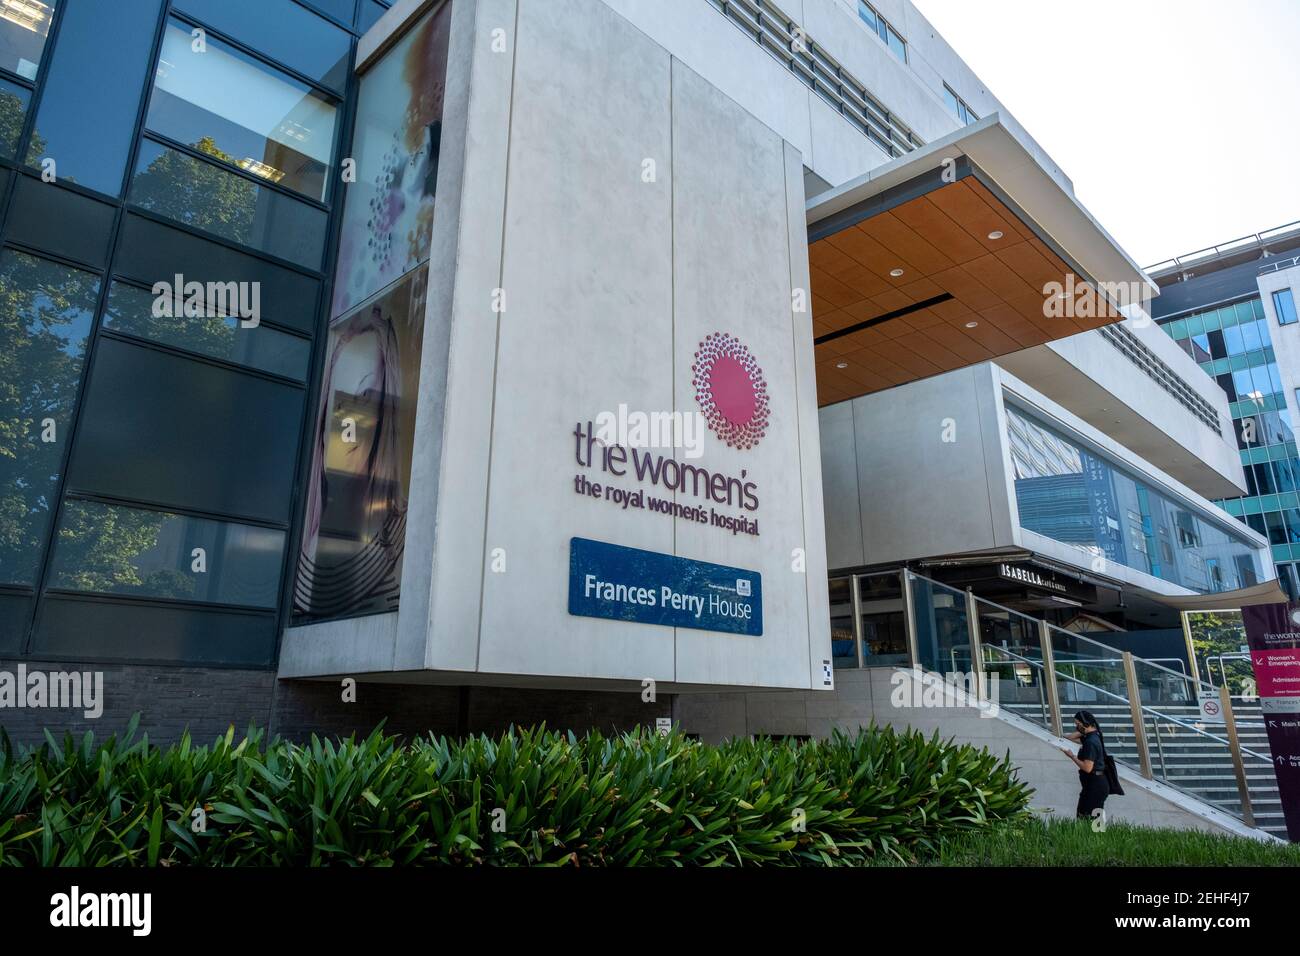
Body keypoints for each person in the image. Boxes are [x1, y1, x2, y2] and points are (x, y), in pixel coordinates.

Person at [1061, 710, 1109, 820]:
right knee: (1089, 817)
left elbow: (1087, 768)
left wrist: (1072, 756)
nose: (1076, 727)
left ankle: (1095, 836)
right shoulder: (1093, 735)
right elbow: (1070, 738)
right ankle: (1096, 835)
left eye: (1078, 724)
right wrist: (1083, 729)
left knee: (1087, 818)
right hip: (1094, 784)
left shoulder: (1090, 742)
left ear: (1086, 723)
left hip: (1095, 785)